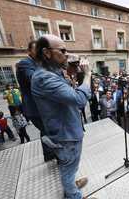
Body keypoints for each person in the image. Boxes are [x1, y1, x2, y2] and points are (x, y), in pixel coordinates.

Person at [31, 34, 94, 199]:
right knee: (68, 169)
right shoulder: (44, 77)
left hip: (66, 128)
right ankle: (73, 194)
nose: (67, 54)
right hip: (66, 134)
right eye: (63, 50)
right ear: (47, 52)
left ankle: (71, 185)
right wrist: (87, 74)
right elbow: (80, 98)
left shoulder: (52, 71)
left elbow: (63, 100)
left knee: (70, 166)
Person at [16, 40, 56, 162]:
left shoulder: (39, 64)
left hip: (41, 106)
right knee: (51, 131)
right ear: (28, 51)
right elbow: (36, 79)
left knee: (45, 131)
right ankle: (61, 158)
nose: (41, 54)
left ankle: (48, 153)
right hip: (34, 107)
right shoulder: (24, 63)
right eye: (37, 51)